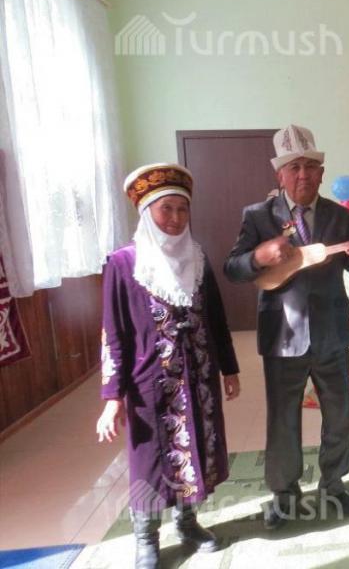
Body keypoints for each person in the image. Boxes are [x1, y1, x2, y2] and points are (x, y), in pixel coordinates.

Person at [223, 125, 349, 529]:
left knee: (339, 416)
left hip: (332, 334)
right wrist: (259, 257)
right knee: (283, 419)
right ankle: (284, 494)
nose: (303, 174)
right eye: (294, 167)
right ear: (280, 174)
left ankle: (334, 486)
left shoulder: (339, 216)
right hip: (282, 336)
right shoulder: (258, 216)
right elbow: (232, 268)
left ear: (322, 173)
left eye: (310, 166)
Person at [95, 163, 241, 569]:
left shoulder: (198, 257)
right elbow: (113, 333)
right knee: (149, 461)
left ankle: (188, 523)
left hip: (198, 378)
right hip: (148, 386)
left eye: (182, 209)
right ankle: (146, 538)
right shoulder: (123, 264)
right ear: (146, 213)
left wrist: (229, 368)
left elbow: (216, 318)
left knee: (196, 447)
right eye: (166, 209)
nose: (175, 218)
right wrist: (112, 397)